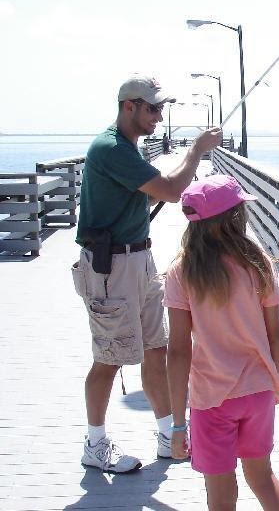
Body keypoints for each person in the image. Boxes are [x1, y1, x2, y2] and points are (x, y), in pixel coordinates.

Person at [72, 74, 222, 473]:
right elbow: (172, 191)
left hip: (138, 259)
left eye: (161, 108)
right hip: (111, 268)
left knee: (156, 350)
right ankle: (94, 443)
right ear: (129, 107)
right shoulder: (110, 149)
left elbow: (160, 189)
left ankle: (166, 435)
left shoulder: (128, 148)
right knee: (109, 358)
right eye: (153, 108)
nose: (159, 115)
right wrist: (196, 151)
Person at [165, 175, 279, 511]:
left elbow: (178, 350)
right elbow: (276, 332)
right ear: (235, 217)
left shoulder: (182, 272)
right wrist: (275, 379)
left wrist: (178, 423)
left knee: (221, 495)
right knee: (262, 479)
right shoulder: (258, 262)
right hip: (258, 389)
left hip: (212, 398)